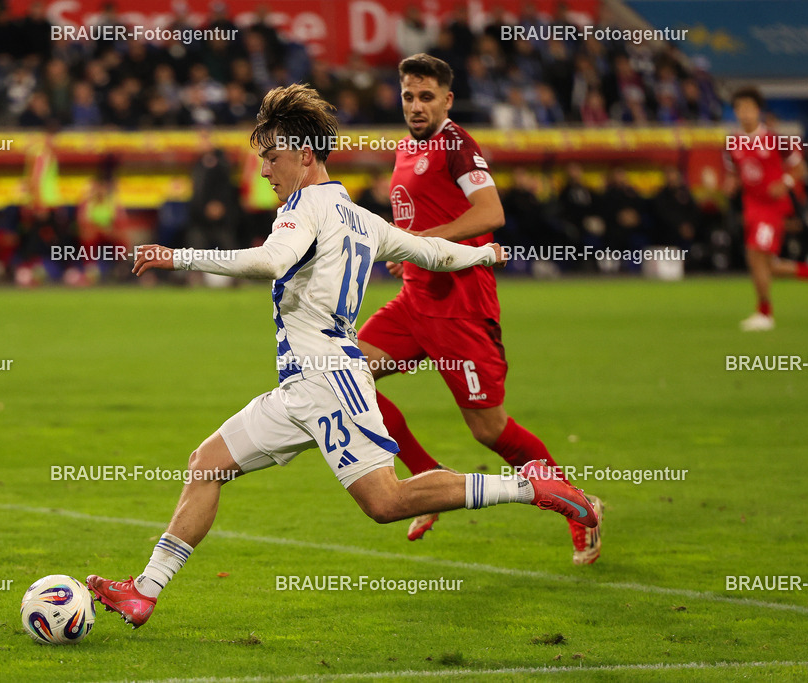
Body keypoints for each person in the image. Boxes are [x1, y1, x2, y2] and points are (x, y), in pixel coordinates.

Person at [86, 84, 598, 628]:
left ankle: (531, 486)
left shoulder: (301, 209)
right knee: (206, 463)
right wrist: (481, 252)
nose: (265, 171)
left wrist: (177, 255)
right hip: (300, 388)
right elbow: (432, 251)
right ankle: (144, 591)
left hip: (330, 381)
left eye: (272, 157)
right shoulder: (360, 218)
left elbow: (271, 260)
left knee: (386, 503)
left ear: (304, 155)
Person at [357, 54, 603, 565]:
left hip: (460, 310)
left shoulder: (458, 146)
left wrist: (420, 243)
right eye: (408, 95)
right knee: (346, 374)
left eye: (427, 97)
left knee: (489, 430)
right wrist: (407, 253)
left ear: (447, 99)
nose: (416, 105)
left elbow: (491, 212)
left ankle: (581, 510)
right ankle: (427, 482)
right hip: (414, 302)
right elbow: (423, 219)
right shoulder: (406, 148)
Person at [724, 87, 808, 331]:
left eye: (749, 107)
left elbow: (799, 168)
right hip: (751, 207)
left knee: (756, 256)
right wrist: (730, 183)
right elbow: (734, 171)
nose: (745, 113)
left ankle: (765, 313)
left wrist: (784, 183)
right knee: (764, 264)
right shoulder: (732, 143)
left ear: (758, 110)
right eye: (740, 108)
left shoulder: (776, 140)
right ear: (735, 112)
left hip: (772, 207)